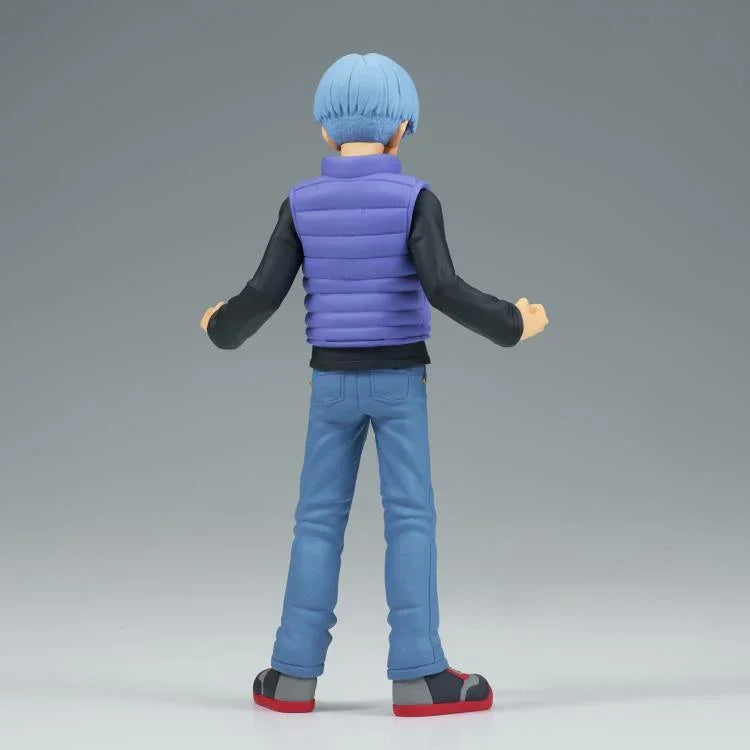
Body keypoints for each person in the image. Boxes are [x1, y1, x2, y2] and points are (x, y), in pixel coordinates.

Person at [200, 52, 549, 717]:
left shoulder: (300, 202)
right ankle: (419, 674)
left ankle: (291, 674)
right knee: (410, 518)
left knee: (316, 521)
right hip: (398, 380)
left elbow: (263, 295)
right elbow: (444, 287)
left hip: (330, 382)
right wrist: (513, 322)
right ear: (401, 129)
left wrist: (221, 325)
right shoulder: (415, 198)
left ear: (325, 130)